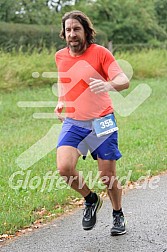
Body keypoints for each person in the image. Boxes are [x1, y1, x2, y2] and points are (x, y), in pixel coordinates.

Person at [54, 10, 129, 236]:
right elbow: (63, 79)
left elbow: (123, 80)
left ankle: (118, 214)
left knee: (107, 175)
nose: (72, 34)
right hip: (75, 121)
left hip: (102, 120)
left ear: (86, 31)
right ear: (64, 33)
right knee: (64, 168)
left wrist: (107, 85)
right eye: (68, 30)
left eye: (77, 29)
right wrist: (60, 101)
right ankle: (90, 199)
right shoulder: (60, 56)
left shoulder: (100, 53)